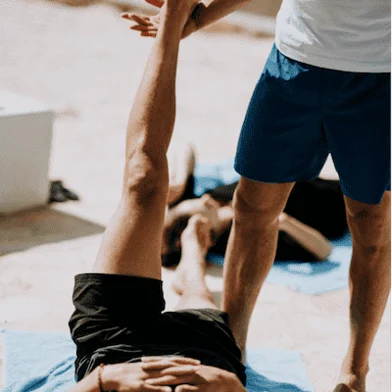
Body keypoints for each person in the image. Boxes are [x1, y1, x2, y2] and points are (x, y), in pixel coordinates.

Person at [126, 1, 391, 391]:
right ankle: (232, 348)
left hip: (379, 74)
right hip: (293, 62)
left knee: (372, 227)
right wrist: (197, 18)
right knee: (250, 210)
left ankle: (355, 369)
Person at [66, 2, 248, 392]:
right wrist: (234, 387)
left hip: (113, 343)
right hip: (205, 358)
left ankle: (173, 19)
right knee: (197, 290)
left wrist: (102, 380)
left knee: (144, 180)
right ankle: (191, 256)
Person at [162, 154, 348, 268]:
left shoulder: (202, 203)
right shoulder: (247, 237)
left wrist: (178, 183)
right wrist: (284, 222)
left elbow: (186, 148)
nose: (205, 198)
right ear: (203, 232)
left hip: (316, 181)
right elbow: (324, 250)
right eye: (204, 205)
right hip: (338, 208)